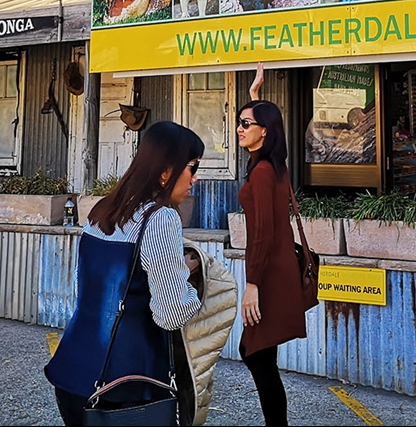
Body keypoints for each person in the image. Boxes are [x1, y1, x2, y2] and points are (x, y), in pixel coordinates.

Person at [45, 121, 204, 426]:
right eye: (192, 167)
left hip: (72, 370)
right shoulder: (161, 218)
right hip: (126, 386)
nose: (195, 179)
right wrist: (196, 283)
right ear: (166, 171)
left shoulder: (101, 210)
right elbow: (170, 314)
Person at [236, 78, 308, 426]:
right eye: (240, 121)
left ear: (264, 132)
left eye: (246, 123)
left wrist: (253, 285)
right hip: (278, 271)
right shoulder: (272, 165)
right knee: (260, 355)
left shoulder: (264, 172)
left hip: (269, 275)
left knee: (255, 354)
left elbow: (261, 234)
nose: (239, 128)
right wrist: (255, 97)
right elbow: (269, 121)